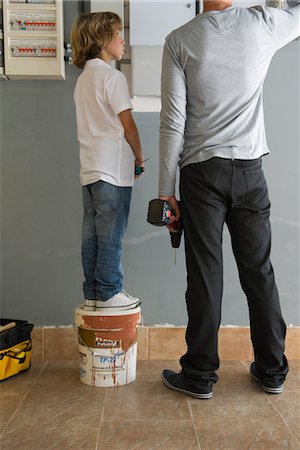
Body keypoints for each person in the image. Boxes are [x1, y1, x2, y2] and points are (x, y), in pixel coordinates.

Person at [159, 0, 300, 399]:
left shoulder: (179, 40)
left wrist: (166, 193)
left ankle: (200, 375)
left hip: (201, 175)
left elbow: (173, 122)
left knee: (206, 275)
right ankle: (272, 370)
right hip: (250, 171)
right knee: (259, 271)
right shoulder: (264, 22)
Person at [71, 12, 144, 311]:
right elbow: (128, 125)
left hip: (89, 171)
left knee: (92, 236)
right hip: (112, 171)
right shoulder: (112, 77)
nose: (122, 40)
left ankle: (94, 292)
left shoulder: (83, 81)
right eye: (117, 34)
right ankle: (111, 291)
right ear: (102, 40)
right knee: (111, 233)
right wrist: (138, 158)